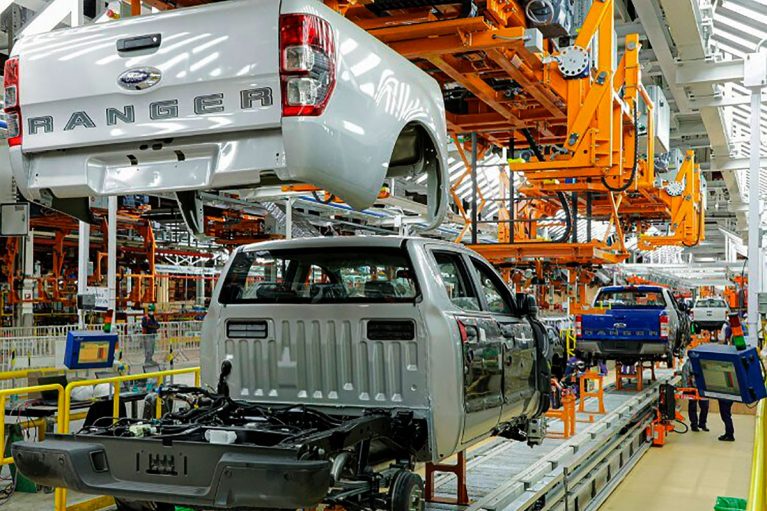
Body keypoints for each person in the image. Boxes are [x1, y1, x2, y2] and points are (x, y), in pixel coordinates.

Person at [681, 354, 709, 432]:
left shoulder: (703, 363)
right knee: (692, 406)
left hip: (702, 388)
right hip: (692, 389)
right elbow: (684, 378)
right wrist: (686, 389)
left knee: (705, 406)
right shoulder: (687, 365)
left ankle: (702, 423)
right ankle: (694, 425)